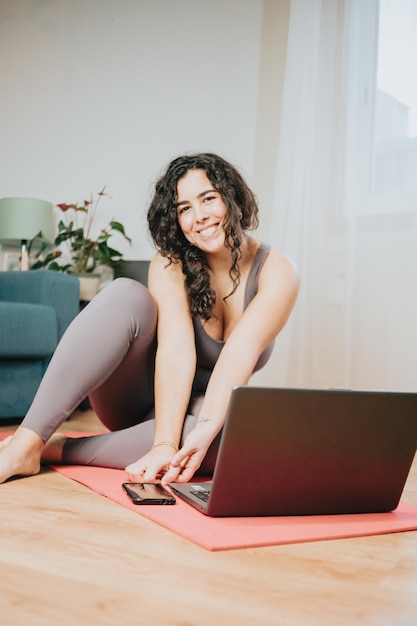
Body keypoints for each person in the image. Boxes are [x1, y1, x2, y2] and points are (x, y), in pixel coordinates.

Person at [0, 153, 299, 486]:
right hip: (139, 398)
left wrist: (201, 430)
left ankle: (59, 449)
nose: (199, 216)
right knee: (127, 293)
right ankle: (26, 443)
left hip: (199, 411)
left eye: (209, 199)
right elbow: (175, 351)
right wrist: (164, 444)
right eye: (184, 208)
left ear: (234, 199)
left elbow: (239, 354)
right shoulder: (171, 263)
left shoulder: (278, 271)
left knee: (223, 434)